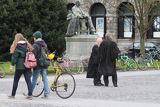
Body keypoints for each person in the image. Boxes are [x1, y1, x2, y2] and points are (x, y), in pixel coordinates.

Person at [9, 33, 33, 100]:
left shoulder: (17, 46)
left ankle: (13, 95)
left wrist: (12, 66)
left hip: (19, 67)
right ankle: (30, 95)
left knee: (16, 80)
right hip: (27, 65)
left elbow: (14, 58)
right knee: (28, 81)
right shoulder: (27, 45)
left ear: (16, 39)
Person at [31, 31, 49, 98]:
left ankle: (30, 93)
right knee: (45, 79)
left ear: (36, 37)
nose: (33, 38)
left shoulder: (35, 45)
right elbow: (47, 53)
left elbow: (33, 55)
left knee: (34, 79)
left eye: (34, 37)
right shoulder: (44, 44)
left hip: (38, 64)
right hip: (44, 64)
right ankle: (46, 93)